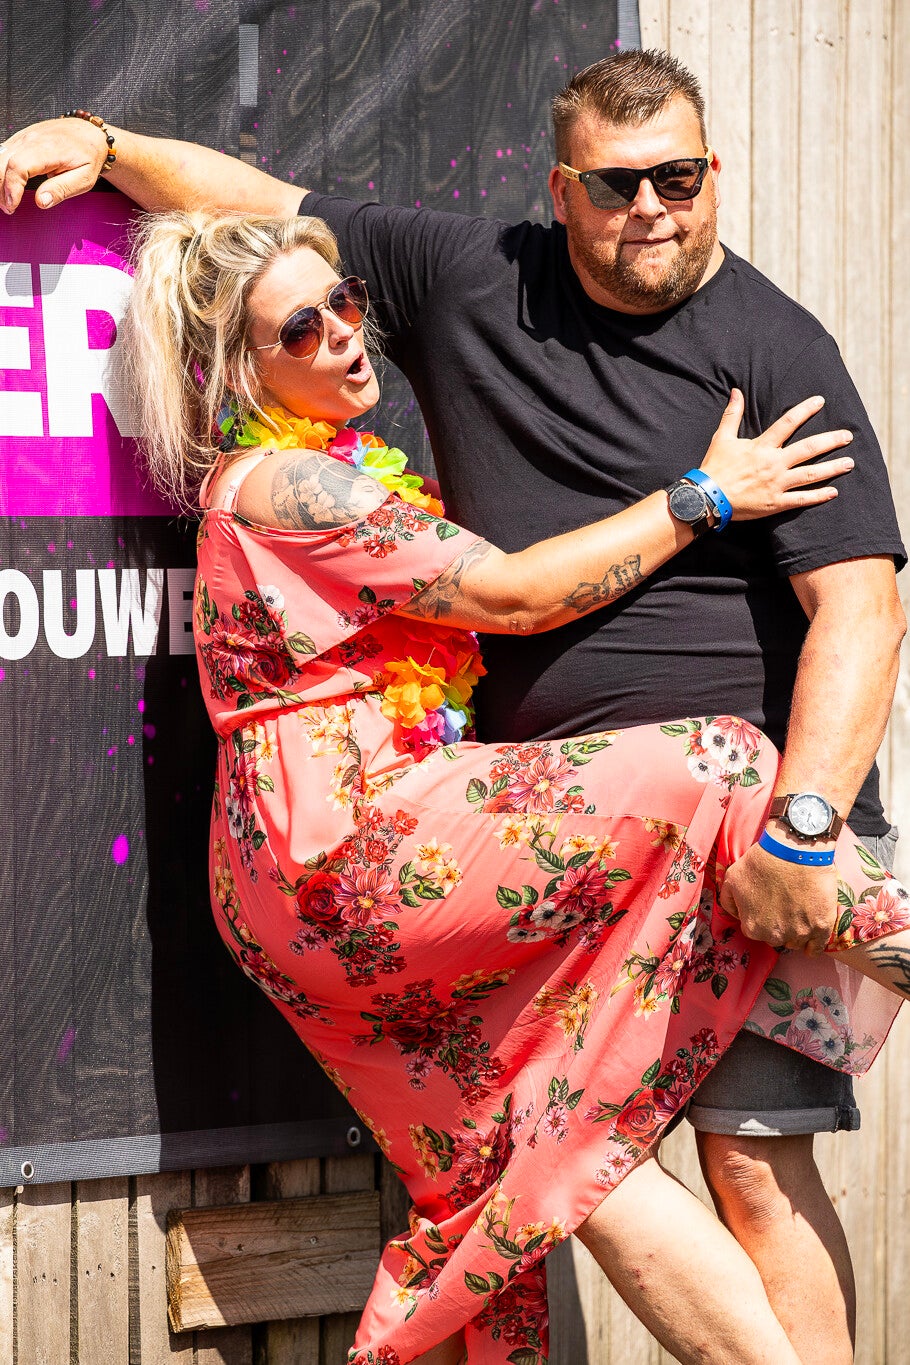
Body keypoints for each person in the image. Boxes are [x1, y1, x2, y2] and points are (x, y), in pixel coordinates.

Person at [2, 47, 904, 1363]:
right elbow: (267, 208)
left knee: (654, 1162)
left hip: (759, 831)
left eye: (678, 177)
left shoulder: (776, 344)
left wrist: (806, 827)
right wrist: (106, 144)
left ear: (715, 173)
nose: (651, 206)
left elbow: (864, 610)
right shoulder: (410, 351)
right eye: (617, 184)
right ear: (562, 190)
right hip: (485, 856)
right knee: (584, 1137)